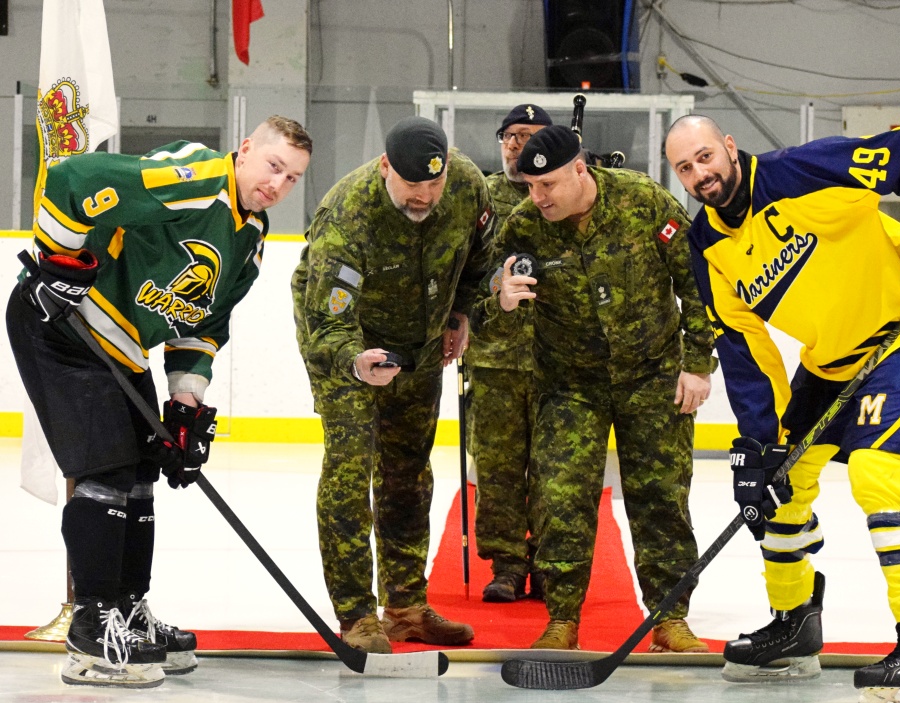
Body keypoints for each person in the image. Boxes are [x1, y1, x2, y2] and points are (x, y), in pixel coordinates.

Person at [665, 115, 900, 703]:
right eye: (686, 168)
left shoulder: (798, 172)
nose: (701, 174)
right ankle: (794, 626)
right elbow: (745, 350)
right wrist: (759, 443)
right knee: (777, 485)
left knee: (878, 474)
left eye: (706, 157)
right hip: (830, 367)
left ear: (729, 148)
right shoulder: (709, 246)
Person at [8, 116, 313, 688]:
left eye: (293, 178)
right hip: (61, 326)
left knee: (144, 470)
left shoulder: (250, 240)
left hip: (120, 344)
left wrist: (185, 402)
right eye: (274, 166)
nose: (278, 184)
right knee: (106, 469)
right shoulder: (200, 179)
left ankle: (127, 610)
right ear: (245, 150)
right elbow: (72, 177)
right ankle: (91, 628)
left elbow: (205, 322)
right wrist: (61, 261)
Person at [476, 125, 716, 651]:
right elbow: (477, 303)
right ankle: (562, 618)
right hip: (569, 385)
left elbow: (696, 280)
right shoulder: (523, 228)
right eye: (531, 187)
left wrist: (698, 365)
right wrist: (501, 297)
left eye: (549, 186)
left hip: (652, 378)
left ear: (580, 169)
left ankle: (670, 618)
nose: (538, 198)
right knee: (560, 499)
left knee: (662, 500)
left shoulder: (642, 201)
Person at [292, 116, 492, 654]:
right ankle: (356, 614)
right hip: (344, 346)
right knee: (350, 470)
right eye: (411, 185)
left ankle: (405, 607)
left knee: (408, 473)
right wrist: (356, 361)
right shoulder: (348, 214)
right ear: (385, 169)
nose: (425, 196)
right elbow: (329, 321)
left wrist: (461, 314)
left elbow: (478, 258)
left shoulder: (469, 186)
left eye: (434, 183)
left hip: (420, 345)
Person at [467, 103, 552, 603]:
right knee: (497, 467)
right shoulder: (481, 197)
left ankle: (545, 560)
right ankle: (505, 565)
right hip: (495, 356)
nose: (518, 144)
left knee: (550, 467)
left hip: (551, 356)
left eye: (531, 135)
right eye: (511, 135)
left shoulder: (562, 197)